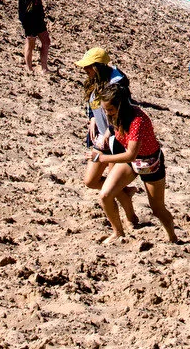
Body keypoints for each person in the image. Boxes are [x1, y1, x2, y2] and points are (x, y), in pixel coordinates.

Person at [91, 88, 180, 245]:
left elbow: (131, 154)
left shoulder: (137, 120)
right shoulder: (116, 116)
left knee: (157, 209)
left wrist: (103, 158)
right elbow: (129, 153)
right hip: (132, 162)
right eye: (105, 110)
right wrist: (107, 132)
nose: (107, 113)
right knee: (105, 195)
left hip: (150, 163)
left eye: (110, 109)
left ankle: (172, 237)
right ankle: (118, 232)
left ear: (120, 106)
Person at [76, 49, 137, 225]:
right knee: (90, 181)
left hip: (114, 140)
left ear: (97, 67)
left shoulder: (117, 85)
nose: (84, 70)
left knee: (112, 188)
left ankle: (131, 218)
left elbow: (124, 112)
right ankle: (126, 192)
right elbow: (93, 105)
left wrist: (110, 130)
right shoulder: (94, 81)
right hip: (101, 138)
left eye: (87, 67)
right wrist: (92, 119)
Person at [18, 0, 50, 69]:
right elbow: (24, 11)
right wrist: (25, 23)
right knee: (30, 44)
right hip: (30, 22)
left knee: (46, 41)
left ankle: (44, 68)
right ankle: (29, 68)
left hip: (38, 20)